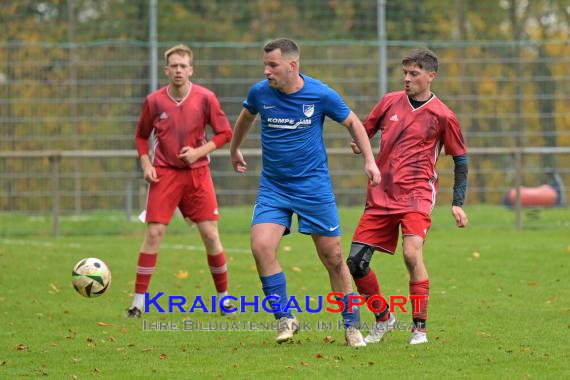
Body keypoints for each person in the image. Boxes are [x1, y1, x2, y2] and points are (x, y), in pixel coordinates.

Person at [229, 38, 381, 347]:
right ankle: (286, 317)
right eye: (265, 65)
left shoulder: (320, 93)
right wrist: (234, 149)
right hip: (274, 187)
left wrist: (369, 160)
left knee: (334, 258)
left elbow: (353, 121)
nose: (267, 71)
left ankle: (352, 327)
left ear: (291, 65)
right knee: (260, 247)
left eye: (272, 65)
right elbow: (246, 116)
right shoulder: (260, 93)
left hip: (313, 188)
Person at [347, 48, 468, 345]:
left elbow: (461, 159)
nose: (407, 79)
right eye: (404, 73)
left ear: (431, 76)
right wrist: (360, 146)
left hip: (416, 196)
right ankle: (384, 318)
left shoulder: (443, 115)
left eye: (414, 74)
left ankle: (420, 329)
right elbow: (365, 131)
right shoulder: (389, 102)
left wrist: (457, 202)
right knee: (356, 262)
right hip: (381, 194)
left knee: (412, 254)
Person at [127, 44, 235, 318]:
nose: (178, 70)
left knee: (211, 235)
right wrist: (146, 163)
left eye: (183, 66)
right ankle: (137, 303)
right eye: (173, 66)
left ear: (191, 70)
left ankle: (224, 300)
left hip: (198, 174)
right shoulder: (154, 101)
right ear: (167, 70)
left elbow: (225, 134)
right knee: (153, 234)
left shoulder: (205, 98)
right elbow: (141, 136)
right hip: (165, 173)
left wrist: (199, 151)